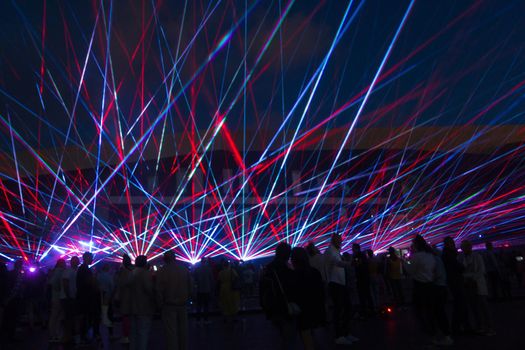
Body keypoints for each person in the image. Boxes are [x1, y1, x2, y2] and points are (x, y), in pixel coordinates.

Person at [260, 242, 297, 350]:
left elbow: (263, 288)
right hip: (286, 309)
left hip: (272, 308)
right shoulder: (287, 270)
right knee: (289, 340)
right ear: (288, 255)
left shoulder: (267, 269)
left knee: (279, 337)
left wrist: (264, 306)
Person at [324, 234, 359, 346]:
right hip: (335, 284)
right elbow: (336, 262)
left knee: (346, 308)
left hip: (340, 284)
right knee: (339, 310)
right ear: (334, 240)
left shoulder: (335, 251)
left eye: (341, 240)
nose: (341, 242)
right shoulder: (330, 250)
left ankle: (345, 333)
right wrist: (350, 263)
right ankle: (339, 336)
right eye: (339, 240)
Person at [291, 247, 325, 350]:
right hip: (316, 309)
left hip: (303, 313)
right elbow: (321, 292)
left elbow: (294, 295)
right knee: (317, 338)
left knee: (307, 340)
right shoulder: (315, 272)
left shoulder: (294, 275)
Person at [156, 251, 192, 350]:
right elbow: (190, 285)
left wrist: (159, 304)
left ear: (165, 259)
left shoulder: (162, 271)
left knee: (171, 332)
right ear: (175, 258)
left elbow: (159, 289)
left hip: (169, 305)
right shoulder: (184, 269)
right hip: (183, 304)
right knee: (183, 330)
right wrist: (190, 298)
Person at [460, 240, 494, 335]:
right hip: (470, 285)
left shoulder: (477, 256)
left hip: (477, 284)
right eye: (463, 247)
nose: (464, 249)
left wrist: (469, 277)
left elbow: (481, 270)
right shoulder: (462, 257)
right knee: (474, 307)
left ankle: (489, 327)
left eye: (465, 247)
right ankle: (480, 326)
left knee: (483, 306)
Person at [404, 235, 435, 337]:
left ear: (416, 245)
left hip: (420, 286)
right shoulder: (430, 255)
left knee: (420, 310)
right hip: (430, 285)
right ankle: (433, 332)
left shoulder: (417, 256)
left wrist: (404, 262)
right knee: (430, 310)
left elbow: (410, 271)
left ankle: (427, 333)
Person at [441, 237, 469, 334]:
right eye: (452, 243)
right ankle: (458, 327)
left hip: (452, 281)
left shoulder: (445, 254)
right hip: (455, 281)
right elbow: (456, 266)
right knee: (460, 304)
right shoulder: (450, 254)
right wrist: (462, 267)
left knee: (459, 304)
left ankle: (458, 327)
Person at [129, 255, 155, 350]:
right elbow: (149, 290)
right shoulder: (145, 274)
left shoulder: (132, 273)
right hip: (144, 307)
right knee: (143, 333)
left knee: (134, 333)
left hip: (133, 306)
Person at [76, 252, 101, 343]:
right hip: (86, 298)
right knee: (88, 317)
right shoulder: (84, 269)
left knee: (86, 317)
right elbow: (88, 283)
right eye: (91, 258)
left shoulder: (83, 269)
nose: (92, 260)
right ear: (86, 258)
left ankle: (85, 336)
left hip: (85, 297)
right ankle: (87, 336)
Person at [3, 259, 25, 342]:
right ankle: (11, 336)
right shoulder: (18, 275)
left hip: (10, 297)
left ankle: (6, 334)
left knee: (8, 316)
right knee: (13, 317)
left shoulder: (10, 273)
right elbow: (17, 287)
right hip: (14, 298)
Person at [114, 254, 133, 344]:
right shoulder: (133, 271)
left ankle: (126, 336)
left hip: (125, 297)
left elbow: (120, 285)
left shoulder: (123, 272)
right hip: (133, 298)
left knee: (125, 317)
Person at [61, 256, 79, 344]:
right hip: (68, 298)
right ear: (72, 262)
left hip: (71, 297)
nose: (77, 263)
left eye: (77, 261)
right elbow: (65, 283)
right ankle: (66, 337)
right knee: (68, 317)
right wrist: (68, 296)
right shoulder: (68, 271)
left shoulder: (74, 271)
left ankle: (69, 336)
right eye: (76, 261)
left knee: (71, 317)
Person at [48, 259, 67, 342]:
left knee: (56, 316)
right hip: (58, 296)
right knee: (56, 316)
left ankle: (54, 335)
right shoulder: (59, 272)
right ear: (61, 264)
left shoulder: (55, 271)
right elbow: (54, 283)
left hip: (56, 296)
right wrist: (60, 289)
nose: (65, 264)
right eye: (64, 263)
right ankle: (53, 335)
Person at [352, 244, 373, 316]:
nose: (352, 250)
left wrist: (353, 263)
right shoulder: (363, 255)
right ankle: (370, 309)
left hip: (361, 278)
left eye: (353, 248)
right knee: (367, 294)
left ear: (356, 248)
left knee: (362, 295)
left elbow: (357, 264)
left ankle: (365, 311)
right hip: (365, 278)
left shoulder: (358, 256)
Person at [193, 257, 214, 324]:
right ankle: (206, 320)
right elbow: (211, 279)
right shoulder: (209, 269)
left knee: (199, 306)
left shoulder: (197, 269)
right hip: (207, 289)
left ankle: (198, 320)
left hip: (199, 289)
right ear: (206, 261)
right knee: (206, 305)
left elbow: (195, 279)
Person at [97, 263, 114, 327]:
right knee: (107, 309)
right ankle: (107, 322)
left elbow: (97, 284)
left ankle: (102, 320)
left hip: (100, 294)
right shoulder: (109, 276)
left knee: (101, 308)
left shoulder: (99, 275)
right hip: (107, 294)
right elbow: (112, 286)